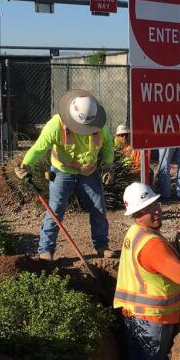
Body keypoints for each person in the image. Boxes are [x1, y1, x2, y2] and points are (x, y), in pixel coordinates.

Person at [115, 182, 180, 360]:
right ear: (135, 214)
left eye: (155, 204)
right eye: (147, 208)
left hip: (132, 318)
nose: (156, 211)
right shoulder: (153, 245)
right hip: (153, 321)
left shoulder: (134, 233)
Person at [15, 89, 115, 261]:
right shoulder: (56, 125)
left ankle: (102, 245)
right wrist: (25, 165)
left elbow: (107, 146)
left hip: (89, 173)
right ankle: (46, 249)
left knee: (98, 209)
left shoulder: (99, 124)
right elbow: (40, 147)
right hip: (63, 172)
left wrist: (108, 166)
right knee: (56, 210)